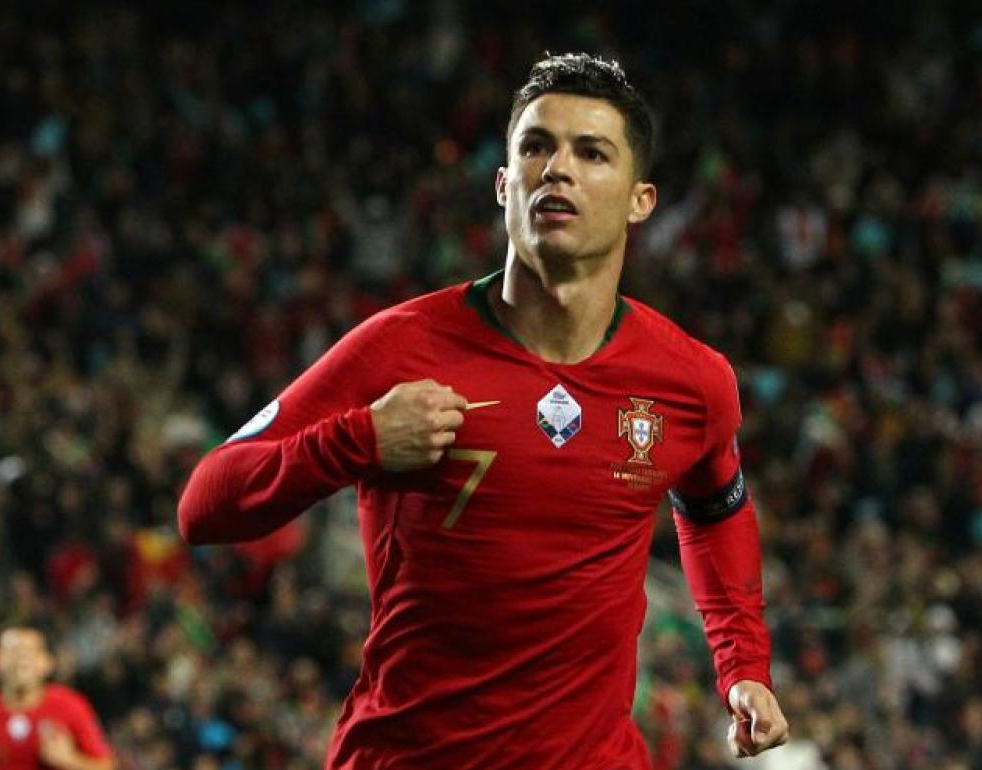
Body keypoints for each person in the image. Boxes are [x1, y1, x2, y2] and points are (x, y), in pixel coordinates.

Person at [178, 52, 789, 769]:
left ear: (640, 200)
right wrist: (358, 440)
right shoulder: (400, 346)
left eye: (591, 153)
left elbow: (715, 509)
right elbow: (203, 506)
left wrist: (742, 663)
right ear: (504, 185)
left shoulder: (691, 381)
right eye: (536, 147)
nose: (556, 169)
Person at [0, 625, 114, 770]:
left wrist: (71, 761)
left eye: (30, 652)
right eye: (13, 652)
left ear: (46, 663)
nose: (22, 659)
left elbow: (106, 766)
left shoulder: (71, 706)